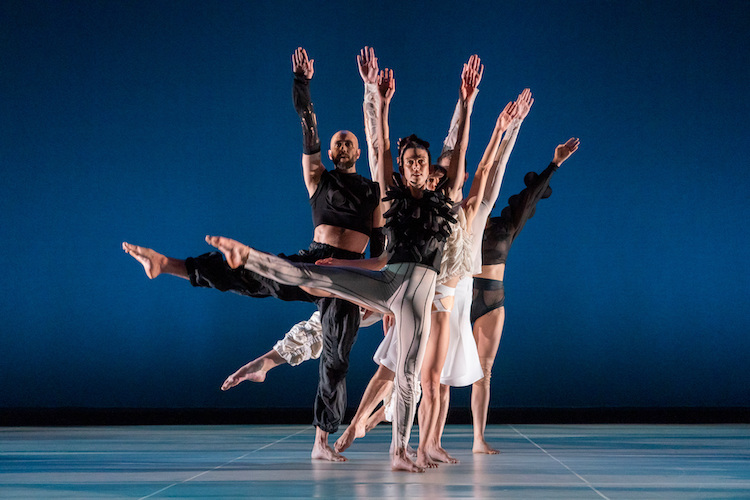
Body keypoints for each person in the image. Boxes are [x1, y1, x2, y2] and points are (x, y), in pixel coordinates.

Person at [123, 47, 383, 463]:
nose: (344, 144)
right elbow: (307, 126)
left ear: (358, 152)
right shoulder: (319, 178)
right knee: (254, 274)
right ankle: (167, 265)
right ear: (333, 154)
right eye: (338, 142)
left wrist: (378, 295)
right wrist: (302, 83)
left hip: (349, 277)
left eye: (350, 141)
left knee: (336, 359)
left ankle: (320, 442)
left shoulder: (373, 192)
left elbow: (383, 248)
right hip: (315, 260)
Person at [205, 81, 457, 471]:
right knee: (317, 277)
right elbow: (381, 149)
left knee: (407, 374)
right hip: (390, 282)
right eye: (410, 161)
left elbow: (455, 163)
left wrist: (466, 103)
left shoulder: (442, 200)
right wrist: (380, 102)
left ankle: (399, 453)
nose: (416, 164)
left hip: (416, 294)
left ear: (432, 171)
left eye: (422, 160)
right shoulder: (389, 197)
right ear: (402, 170)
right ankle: (250, 257)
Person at [470, 136, 580, 454]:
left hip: (491, 299)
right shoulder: (460, 222)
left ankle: (478, 438)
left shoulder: (506, 224)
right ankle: (426, 439)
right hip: (461, 297)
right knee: (441, 369)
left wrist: (555, 163)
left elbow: (530, 197)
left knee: (484, 371)